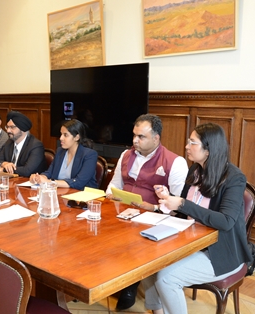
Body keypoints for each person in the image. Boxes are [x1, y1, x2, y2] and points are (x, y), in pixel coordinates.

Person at [142, 123, 253, 314]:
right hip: (190, 242)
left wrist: (182, 204)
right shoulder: (195, 170)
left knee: (166, 278)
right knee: (146, 261)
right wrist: (168, 200)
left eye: (192, 142)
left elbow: (225, 221)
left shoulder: (234, 178)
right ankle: (158, 311)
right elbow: (186, 212)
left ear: (208, 149)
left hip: (220, 251)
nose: (186, 146)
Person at [105, 114, 188, 310]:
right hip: (122, 212)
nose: (135, 140)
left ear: (156, 138)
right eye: (134, 135)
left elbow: (177, 205)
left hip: (153, 219)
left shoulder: (175, 162)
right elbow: (114, 185)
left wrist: (154, 207)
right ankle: (115, 279)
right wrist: (112, 195)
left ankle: (131, 285)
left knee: (137, 245)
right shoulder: (126, 155)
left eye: (141, 137)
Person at [29, 119, 98, 190]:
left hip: (83, 196)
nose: (61, 138)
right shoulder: (60, 151)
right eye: (61, 134)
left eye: (65, 135)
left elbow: (79, 182)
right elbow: (49, 172)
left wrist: (50, 182)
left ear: (77, 137)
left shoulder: (90, 155)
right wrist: (39, 177)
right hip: (61, 193)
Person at [0, 111, 47, 177]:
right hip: (13, 181)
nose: (8, 130)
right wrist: (4, 164)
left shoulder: (36, 146)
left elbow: (27, 171)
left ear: (23, 129)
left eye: (12, 127)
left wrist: (3, 170)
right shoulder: (9, 142)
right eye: (7, 127)